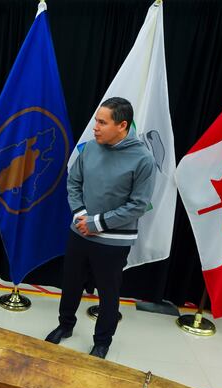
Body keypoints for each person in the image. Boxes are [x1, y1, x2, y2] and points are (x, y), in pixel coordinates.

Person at [45, 97, 156, 359]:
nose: (95, 127)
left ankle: (102, 341)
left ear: (122, 125)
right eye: (96, 120)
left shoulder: (143, 160)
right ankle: (65, 325)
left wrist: (97, 223)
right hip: (80, 233)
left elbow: (138, 205)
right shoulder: (90, 149)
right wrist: (82, 217)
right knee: (70, 283)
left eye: (102, 122)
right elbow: (73, 183)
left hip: (113, 242)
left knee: (109, 293)